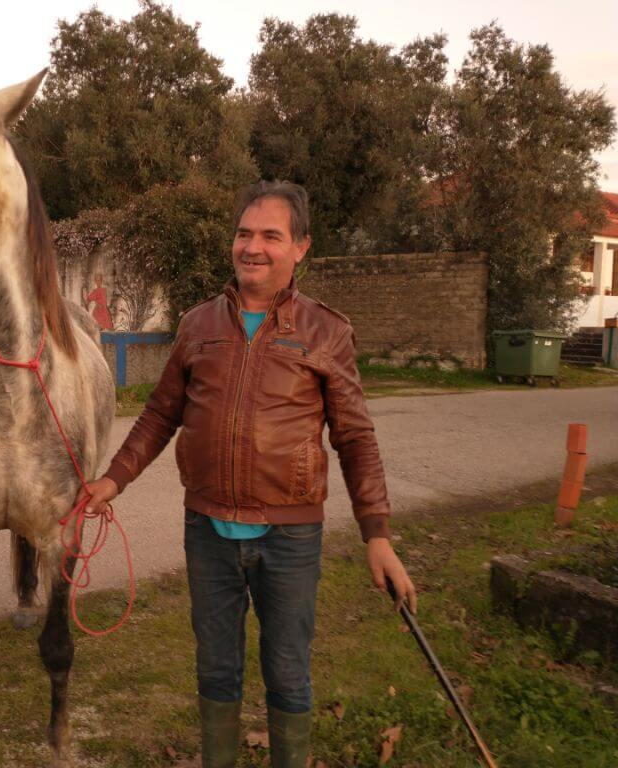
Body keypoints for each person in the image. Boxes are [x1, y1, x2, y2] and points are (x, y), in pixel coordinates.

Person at [79, 181, 417, 768]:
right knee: (215, 670)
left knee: (287, 674)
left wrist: (378, 536)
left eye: (270, 235)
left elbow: (356, 438)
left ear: (301, 247)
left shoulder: (326, 333)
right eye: (244, 233)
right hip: (207, 532)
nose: (252, 247)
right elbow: (161, 414)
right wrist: (113, 479)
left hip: (290, 539)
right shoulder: (197, 325)